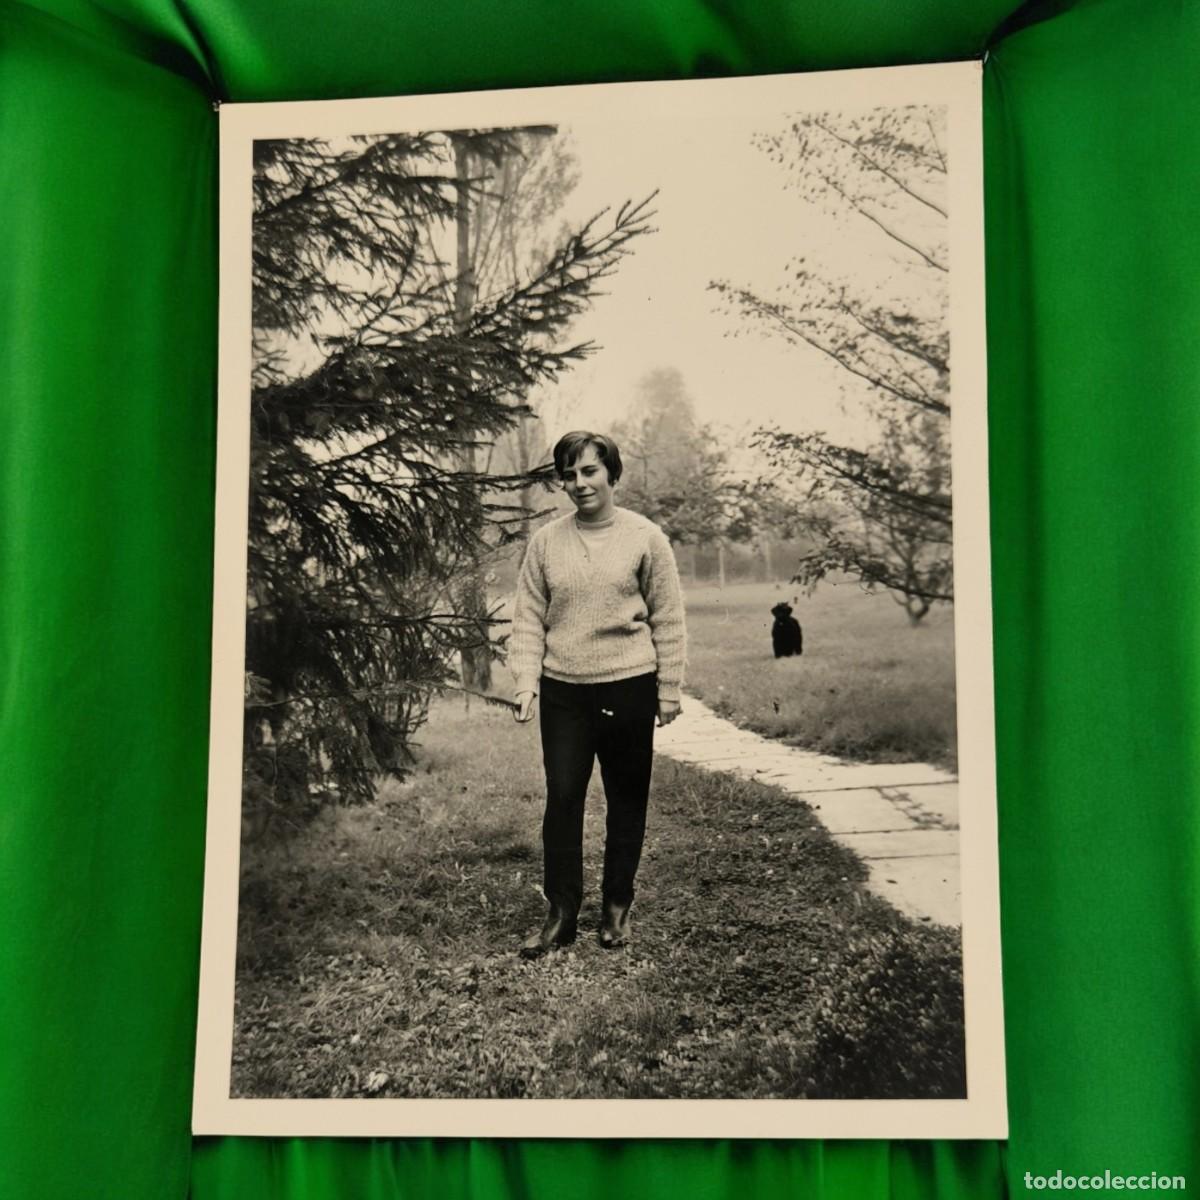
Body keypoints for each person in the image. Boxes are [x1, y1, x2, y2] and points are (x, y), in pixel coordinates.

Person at [508, 430, 686, 957]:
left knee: (626, 800)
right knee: (563, 798)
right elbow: (528, 618)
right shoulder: (545, 543)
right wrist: (525, 680)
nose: (579, 483)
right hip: (565, 693)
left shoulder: (646, 537)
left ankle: (616, 908)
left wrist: (669, 687)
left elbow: (669, 615)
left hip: (629, 686)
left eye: (589, 471)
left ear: (611, 474)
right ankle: (561, 914)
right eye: (569, 473)